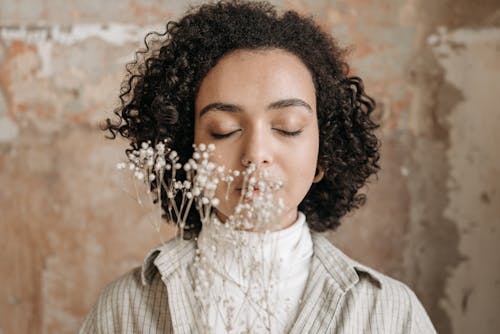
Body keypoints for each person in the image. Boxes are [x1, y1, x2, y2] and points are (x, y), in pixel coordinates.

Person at [80, 1, 437, 333]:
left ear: (324, 153)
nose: (255, 153)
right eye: (224, 131)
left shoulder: (390, 312)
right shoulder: (123, 308)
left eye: (288, 127)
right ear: (186, 150)